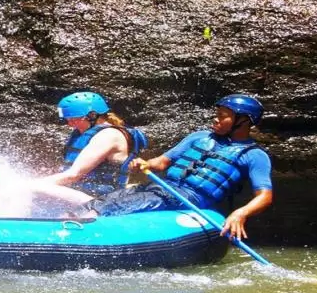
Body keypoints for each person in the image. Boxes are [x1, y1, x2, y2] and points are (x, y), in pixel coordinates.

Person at [76, 94, 273, 239]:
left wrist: (241, 213)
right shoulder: (200, 137)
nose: (216, 119)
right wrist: (146, 164)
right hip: (163, 187)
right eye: (217, 114)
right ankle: (71, 221)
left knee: (124, 205)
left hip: (192, 198)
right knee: (105, 200)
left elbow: (265, 196)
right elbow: (162, 162)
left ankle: (83, 230)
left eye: (222, 116)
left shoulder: (254, 155)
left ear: (243, 122)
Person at [27, 92, 148, 213]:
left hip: (102, 202)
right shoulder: (86, 133)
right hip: (85, 196)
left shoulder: (109, 135)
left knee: (31, 187)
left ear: (92, 115)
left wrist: (27, 185)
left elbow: (73, 175)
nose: (70, 124)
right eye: (67, 120)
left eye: (74, 120)